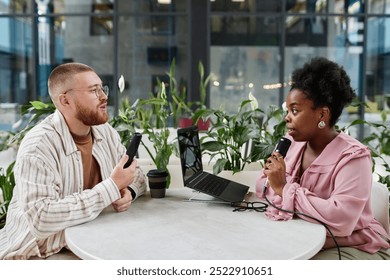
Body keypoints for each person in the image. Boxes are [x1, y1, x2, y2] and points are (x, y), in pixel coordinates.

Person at [0, 62, 146, 259]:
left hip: (90, 239)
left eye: (102, 88)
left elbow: (136, 175)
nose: (104, 96)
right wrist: (111, 187)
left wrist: (128, 191)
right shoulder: (38, 146)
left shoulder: (105, 131)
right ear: (65, 101)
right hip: (38, 253)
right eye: (94, 91)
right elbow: (41, 218)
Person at [256, 57, 390, 260]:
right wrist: (276, 185)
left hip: (357, 245)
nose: (287, 118)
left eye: (295, 110)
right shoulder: (291, 144)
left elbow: (341, 220)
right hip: (304, 239)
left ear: (322, 114)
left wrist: (284, 189)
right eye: (288, 110)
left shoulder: (353, 157)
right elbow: (264, 189)